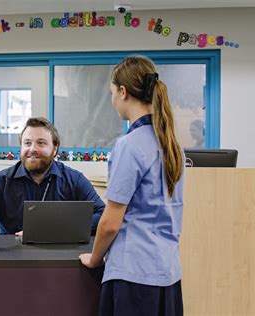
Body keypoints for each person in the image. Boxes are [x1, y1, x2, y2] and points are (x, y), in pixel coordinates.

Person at [79, 56, 185, 316]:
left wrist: (94, 259)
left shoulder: (130, 145)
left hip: (134, 276)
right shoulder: (173, 145)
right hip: (168, 273)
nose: (113, 99)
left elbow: (111, 221)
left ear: (123, 92)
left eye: (112, 92)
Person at [0, 117, 105, 235]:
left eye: (41, 143)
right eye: (27, 143)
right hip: (11, 251)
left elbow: (103, 214)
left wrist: (55, 230)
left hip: (59, 251)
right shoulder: (1, 181)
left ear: (55, 149)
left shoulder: (74, 180)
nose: (33, 149)